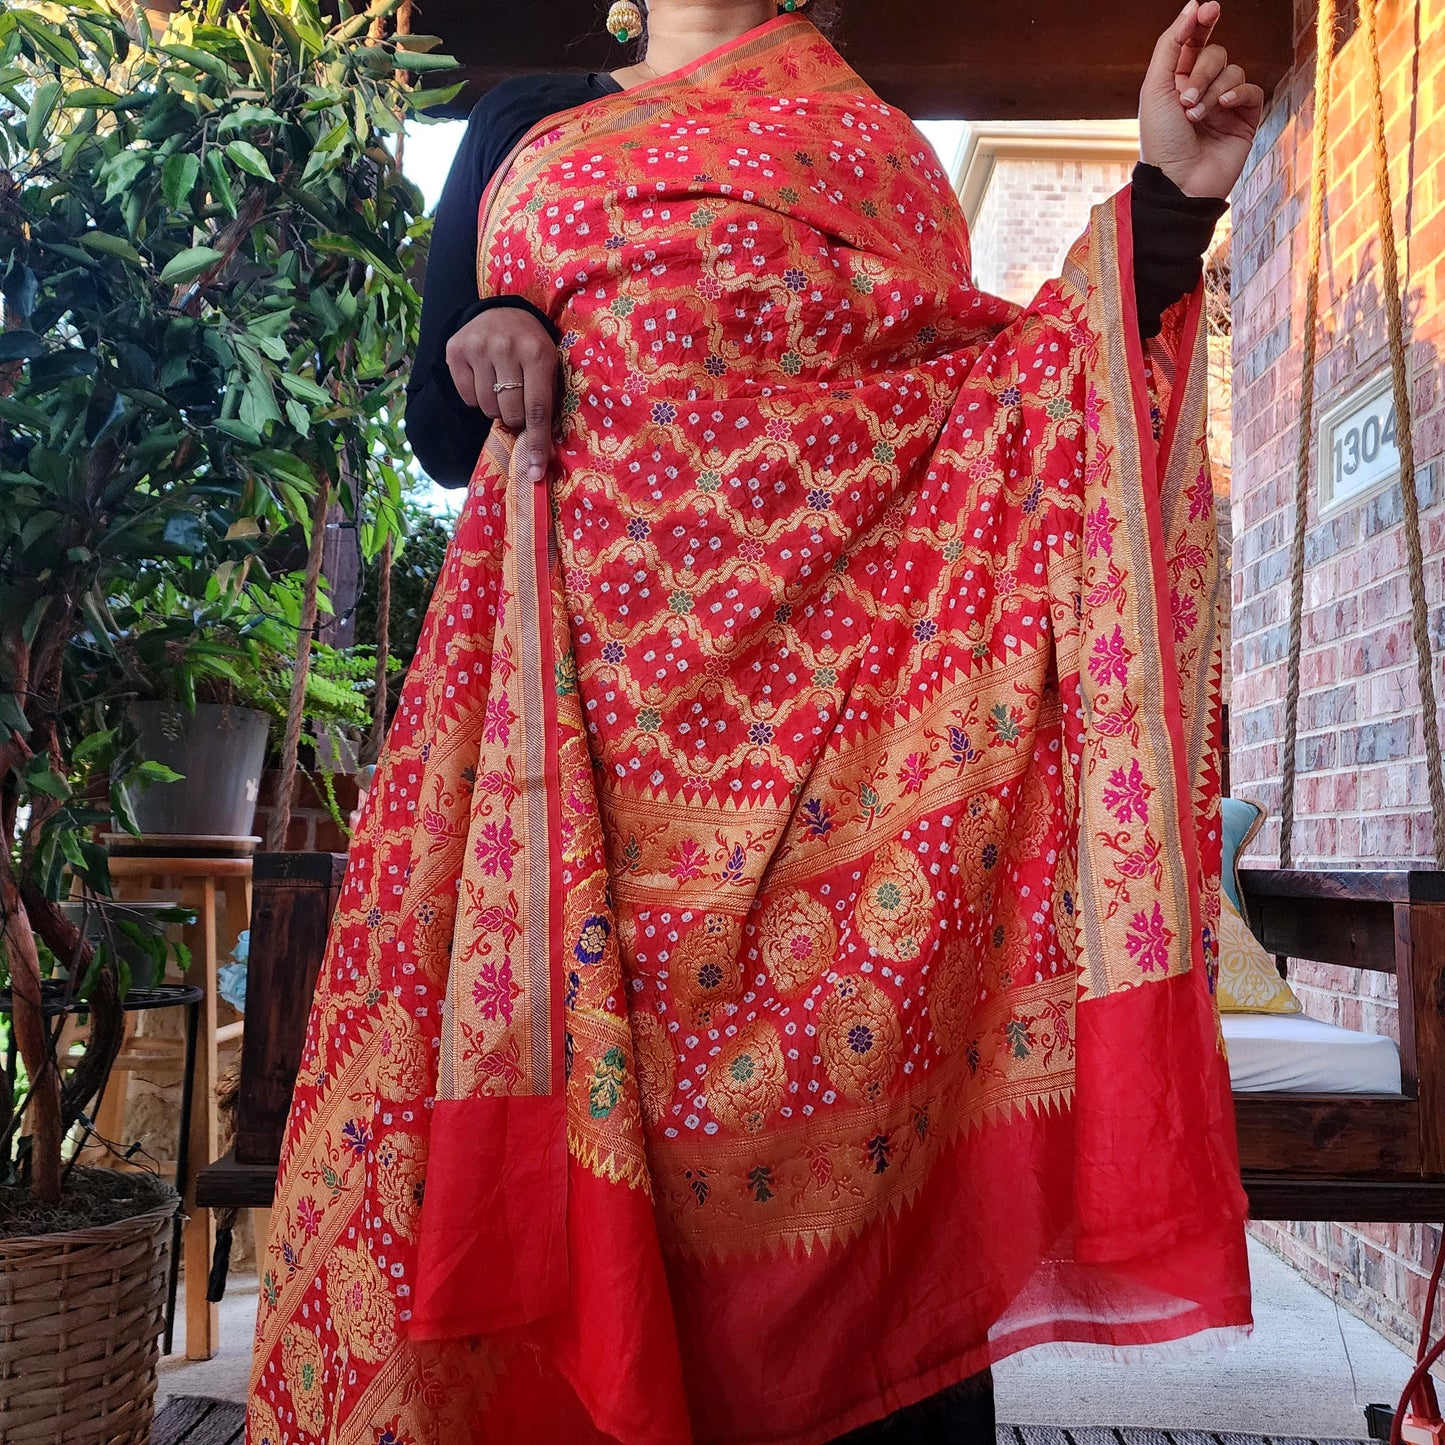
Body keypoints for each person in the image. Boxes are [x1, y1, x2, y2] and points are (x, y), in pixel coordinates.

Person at [249, 4, 1261, 1442]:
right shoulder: (526, 120)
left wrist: (1164, 209)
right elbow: (435, 418)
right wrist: (497, 322)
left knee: (864, 1297)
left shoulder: (882, 155)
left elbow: (990, 419)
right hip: (574, 800)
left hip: (842, 864)